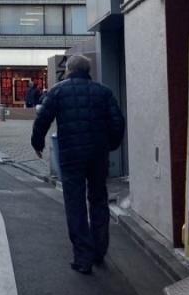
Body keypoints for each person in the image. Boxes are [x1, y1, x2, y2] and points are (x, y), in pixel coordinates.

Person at [31, 55, 125, 275]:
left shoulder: (58, 91)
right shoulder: (103, 92)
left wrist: (37, 143)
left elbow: (42, 118)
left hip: (71, 155)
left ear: (70, 70)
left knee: (75, 202)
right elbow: (118, 122)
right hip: (97, 155)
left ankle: (83, 257)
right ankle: (100, 250)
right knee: (99, 199)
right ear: (88, 70)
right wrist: (110, 145)